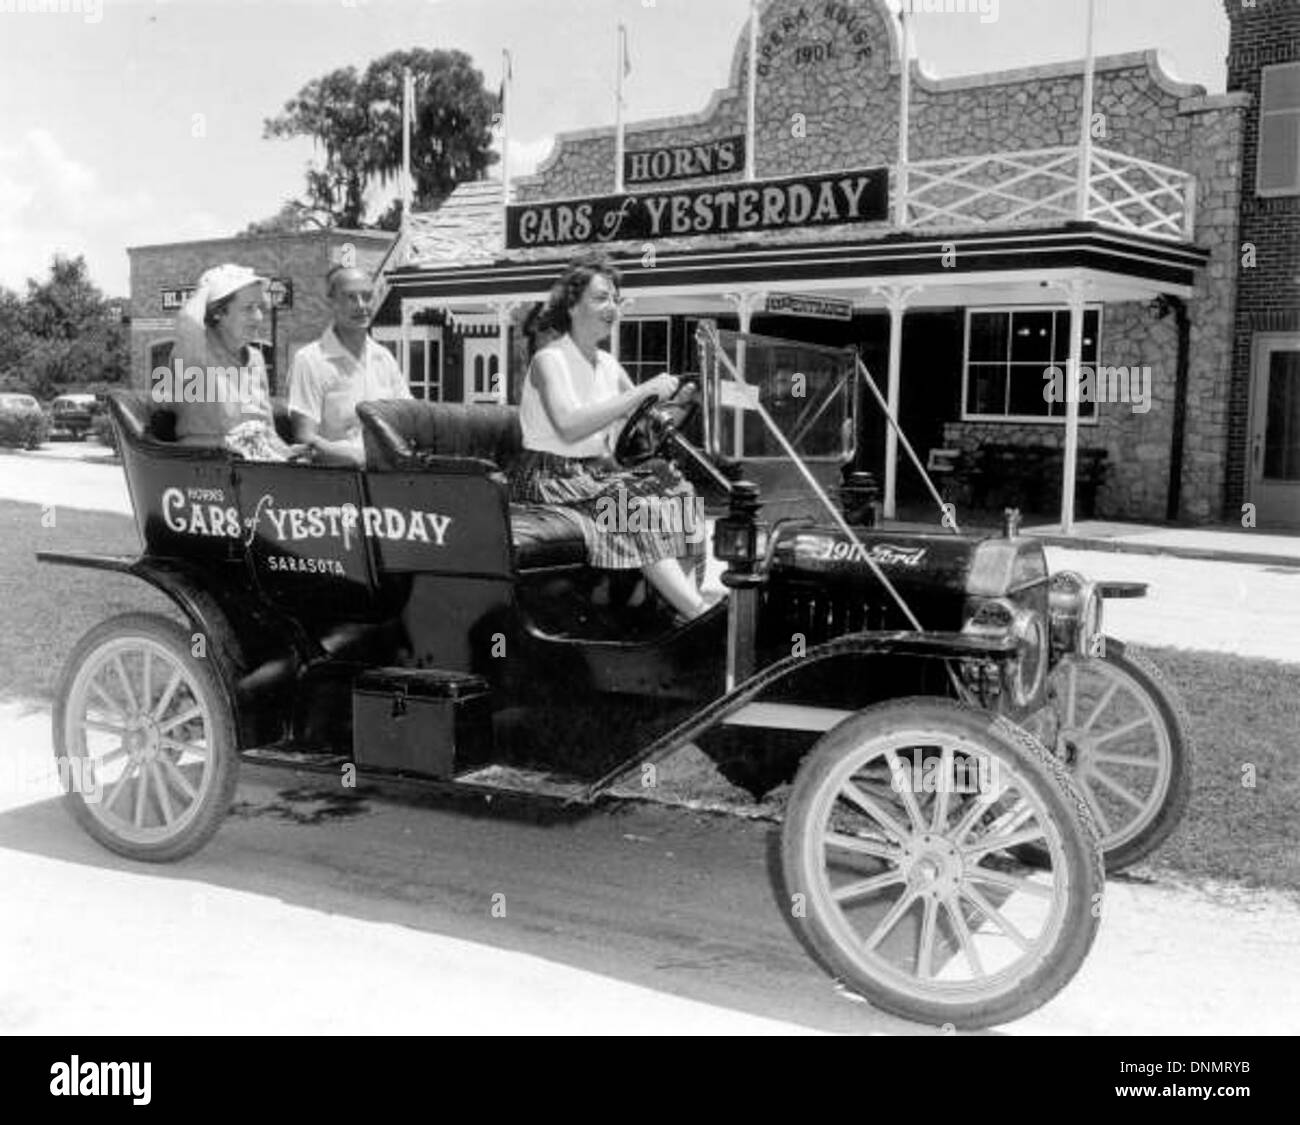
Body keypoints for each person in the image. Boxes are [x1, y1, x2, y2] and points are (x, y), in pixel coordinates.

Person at [512, 252, 715, 622]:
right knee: (634, 509)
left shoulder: (608, 364)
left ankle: (679, 610)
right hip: (550, 478)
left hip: (594, 475)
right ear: (572, 306)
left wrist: (680, 404)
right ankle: (698, 613)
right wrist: (642, 392)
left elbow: (642, 420)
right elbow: (569, 426)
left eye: (616, 300)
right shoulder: (550, 360)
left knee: (681, 495)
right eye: (601, 298)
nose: (612, 307)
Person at [173, 264, 305, 460]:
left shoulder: (256, 359)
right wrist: (208, 289)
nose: (259, 317)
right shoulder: (195, 354)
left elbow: (266, 429)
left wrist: (286, 452)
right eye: (248, 308)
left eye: (260, 308)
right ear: (218, 312)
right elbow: (187, 321)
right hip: (209, 467)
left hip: (255, 467)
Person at [288, 265, 411, 466]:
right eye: (351, 297)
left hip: (389, 477)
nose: (362, 305)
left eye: (367, 296)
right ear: (331, 304)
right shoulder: (309, 360)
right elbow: (304, 438)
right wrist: (357, 459)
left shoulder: (384, 358)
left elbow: (408, 419)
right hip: (340, 483)